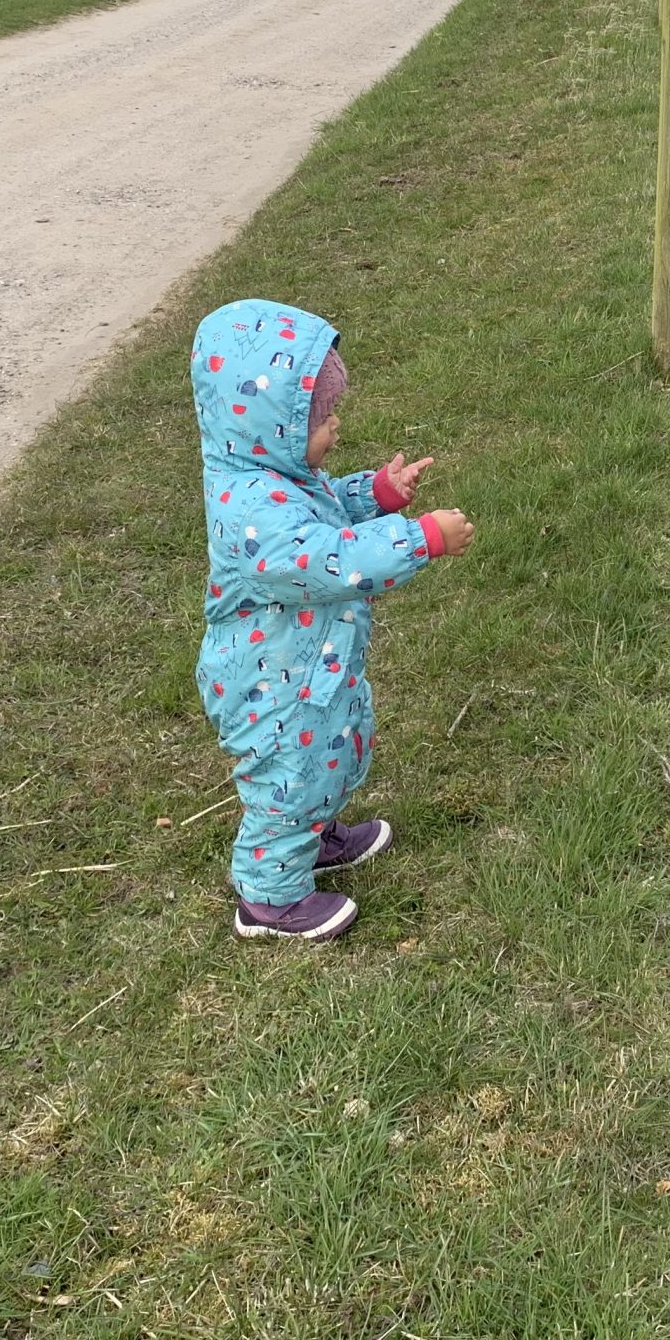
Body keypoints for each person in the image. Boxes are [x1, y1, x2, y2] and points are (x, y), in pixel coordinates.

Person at [189, 299, 475, 942]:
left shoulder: (277, 474)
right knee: (290, 776)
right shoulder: (251, 513)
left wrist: (373, 494)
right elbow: (326, 558)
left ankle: (312, 837)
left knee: (335, 752)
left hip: (308, 668)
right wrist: (419, 538)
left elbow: (320, 510)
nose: (335, 425)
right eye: (318, 421)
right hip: (271, 687)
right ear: (273, 429)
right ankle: (268, 899)